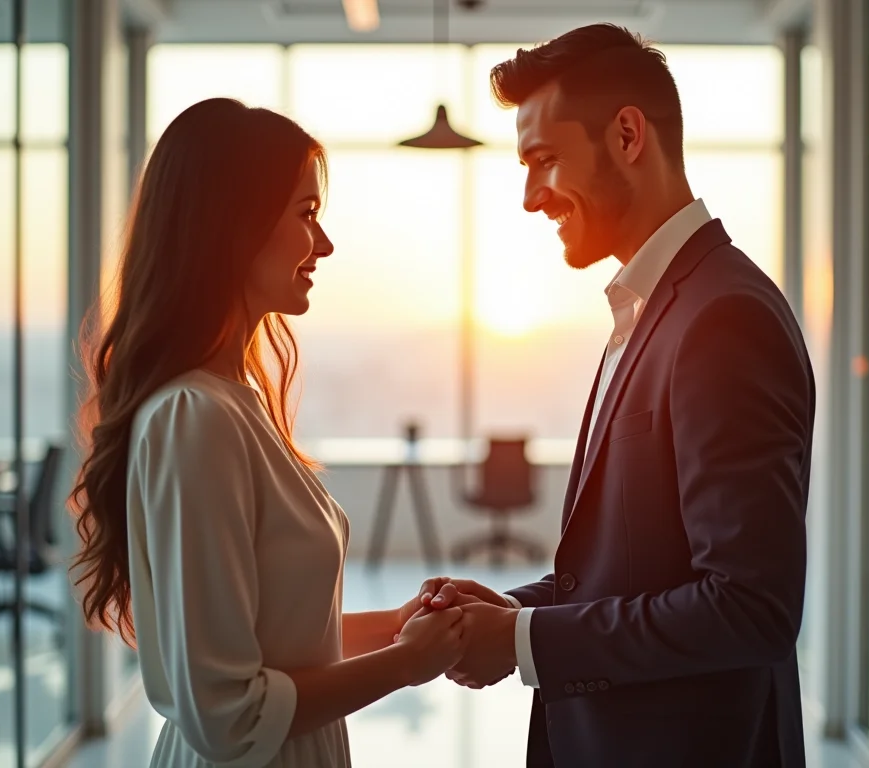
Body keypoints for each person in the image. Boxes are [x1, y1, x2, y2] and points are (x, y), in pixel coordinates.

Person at [421, 24, 815, 767]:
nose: (530, 198)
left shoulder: (723, 318)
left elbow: (750, 607)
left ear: (628, 136)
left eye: (544, 160)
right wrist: (514, 611)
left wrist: (522, 642)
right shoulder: (654, 308)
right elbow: (636, 568)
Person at [67, 98, 466, 768]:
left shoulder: (235, 404)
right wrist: (405, 665)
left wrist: (397, 627)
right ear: (233, 227)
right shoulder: (196, 419)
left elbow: (278, 640)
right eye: (307, 213)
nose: (325, 244)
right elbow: (231, 715)